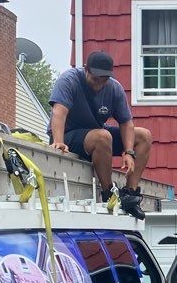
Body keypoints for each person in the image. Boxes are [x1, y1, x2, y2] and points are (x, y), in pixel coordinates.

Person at [49, 51, 154, 219]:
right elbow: (59, 112)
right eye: (96, 79)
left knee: (143, 136)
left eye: (103, 80)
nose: (99, 84)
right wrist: (59, 141)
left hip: (96, 134)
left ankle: (129, 193)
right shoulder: (69, 80)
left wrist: (128, 152)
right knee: (103, 136)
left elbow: (126, 123)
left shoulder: (114, 88)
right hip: (69, 135)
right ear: (86, 70)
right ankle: (109, 193)